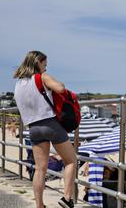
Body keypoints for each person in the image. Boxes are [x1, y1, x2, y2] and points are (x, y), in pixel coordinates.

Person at [13, 50, 76, 208]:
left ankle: (39, 205)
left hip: (33, 127)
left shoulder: (19, 84)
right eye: (44, 65)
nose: (45, 68)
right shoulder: (41, 77)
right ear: (37, 62)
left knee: (40, 169)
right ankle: (67, 199)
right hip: (50, 124)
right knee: (71, 161)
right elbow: (60, 88)